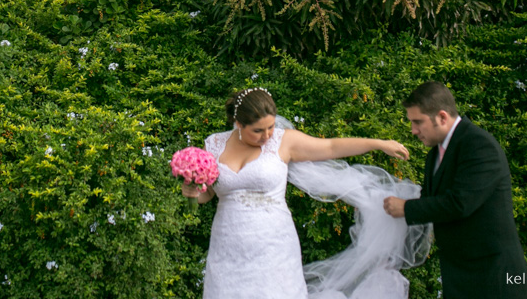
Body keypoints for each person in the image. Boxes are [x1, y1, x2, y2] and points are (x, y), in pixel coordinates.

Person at [183, 87, 427, 299]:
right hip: (228, 242)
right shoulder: (214, 145)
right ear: (238, 124)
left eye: (270, 127)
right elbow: (209, 194)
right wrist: (192, 191)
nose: (267, 135)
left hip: (273, 243)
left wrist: (378, 143)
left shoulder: (283, 141)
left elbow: (331, 146)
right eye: (258, 130)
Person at [383, 81, 527, 299]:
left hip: (494, 279)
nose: (413, 131)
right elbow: (430, 203)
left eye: (418, 122)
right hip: (459, 278)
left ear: (442, 117)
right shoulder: (434, 153)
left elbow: (459, 203)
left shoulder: (479, 145)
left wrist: (406, 208)